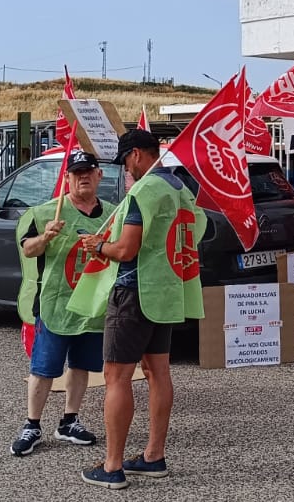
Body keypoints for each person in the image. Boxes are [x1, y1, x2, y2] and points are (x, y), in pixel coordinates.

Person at [81, 130, 205, 489]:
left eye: (125, 161)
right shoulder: (180, 189)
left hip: (133, 293)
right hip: (166, 290)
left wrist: (98, 245)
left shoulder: (144, 190)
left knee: (116, 377)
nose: (126, 170)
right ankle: (153, 456)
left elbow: (126, 250)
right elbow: (195, 231)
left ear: (136, 154)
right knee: (158, 372)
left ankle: (112, 466)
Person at [9, 150, 112, 457]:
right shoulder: (45, 212)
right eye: (76, 172)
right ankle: (32, 424)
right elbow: (28, 249)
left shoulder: (113, 214)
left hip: (92, 306)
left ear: (99, 175)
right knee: (44, 368)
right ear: (67, 178)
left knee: (82, 365)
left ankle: (69, 420)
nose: (83, 177)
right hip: (55, 304)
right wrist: (45, 237)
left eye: (88, 171)